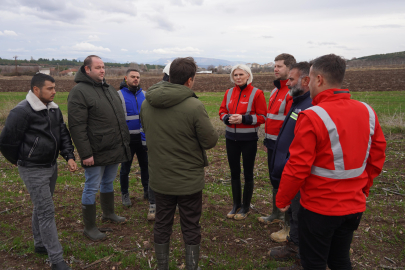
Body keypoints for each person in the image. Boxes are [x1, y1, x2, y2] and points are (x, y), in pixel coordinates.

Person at [276, 54, 386, 270]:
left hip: (319, 207)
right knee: (340, 259)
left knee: (313, 262)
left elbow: (298, 167)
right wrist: (364, 188)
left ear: (318, 79)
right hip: (354, 206)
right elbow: (377, 157)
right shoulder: (368, 112)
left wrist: (282, 199)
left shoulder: (312, 116)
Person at [140, 57, 218, 270]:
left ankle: (162, 266)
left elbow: (147, 132)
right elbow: (210, 141)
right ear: (190, 81)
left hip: (160, 178)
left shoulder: (147, 103)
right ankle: (192, 266)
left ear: (169, 75)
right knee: (191, 224)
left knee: (162, 223)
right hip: (188, 180)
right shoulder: (194, 105)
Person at [0, 73, 76, 270]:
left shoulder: (54, 109)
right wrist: (18, 160)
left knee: (41, 206)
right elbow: (7, 142)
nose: (54, 91)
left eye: (54, 87)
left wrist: (68, 156)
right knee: (46, 211)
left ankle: (40, 243)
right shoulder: (22, 112)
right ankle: (57, 259)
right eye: (50, 88)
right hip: (32, 168)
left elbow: (63, 133)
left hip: (51, 166)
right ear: (36, 90)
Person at [68, 55, 131, 242]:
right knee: (91, 186)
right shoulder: (79, 92)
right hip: (95, 151)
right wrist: (85, 153)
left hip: (113, 148)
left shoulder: (108, 89)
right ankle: (89, 227)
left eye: (103, 67)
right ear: (87, 69)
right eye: (98, 67)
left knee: (108, 182)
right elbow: (77, 126)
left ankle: (108, 213)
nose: (102, 70)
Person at [265, 62, 312, 262]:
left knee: (300, 213)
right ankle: (294, 245)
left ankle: (301, 254)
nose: (288, 83)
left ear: (306, 80)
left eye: (291, 79)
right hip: (286, 165)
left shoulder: (309, 106)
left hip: (297, 170)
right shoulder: (298, 101)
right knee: (295, 211)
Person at [219, 64, 267, 220]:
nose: (238, 78)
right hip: (230, 139)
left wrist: (243, 119)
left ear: (248, 75)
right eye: (235, 75)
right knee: (234, 173)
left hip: (248, 140)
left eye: (241, 74)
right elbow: (221, 111)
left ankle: (245, 207)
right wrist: (226, 118)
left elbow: (263, 117)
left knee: (248, 173)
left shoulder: (257, 93)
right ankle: (236, 205)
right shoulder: (229, 92)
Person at [259, 53, 296, 225]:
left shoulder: (291, 92)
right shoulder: (275, 91)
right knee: (274, 179)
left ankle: (287, 223)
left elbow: (290, 125)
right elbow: (271, 119)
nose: (275, 69)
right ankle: (276, 214)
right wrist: (267, 141)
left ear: (289, 68)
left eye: (279, 66)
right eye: (275, 65)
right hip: (272, 143)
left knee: (285, 182)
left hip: (284, 147)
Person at [117, 68, 156, 220]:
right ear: (126, 78)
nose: (135, 79)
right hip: (127, 139)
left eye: (138, 77)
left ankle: (147, 191)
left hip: (143, 138)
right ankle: (125, 194)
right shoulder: (119, 95)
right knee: (125, 169)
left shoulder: (145, 95)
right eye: (133, 77)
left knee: (145, 166)